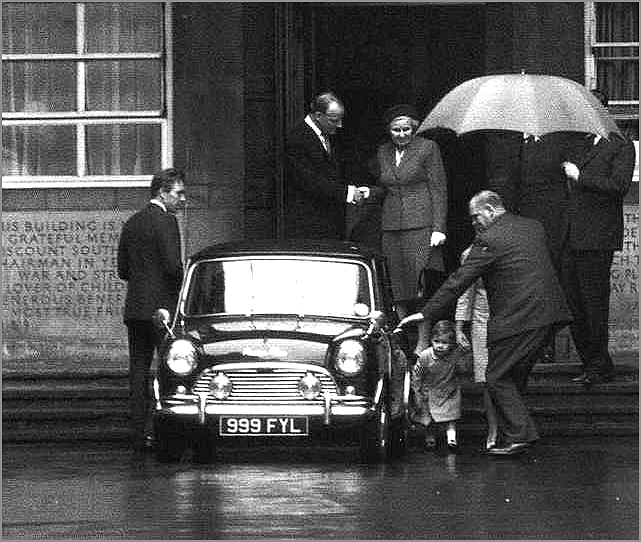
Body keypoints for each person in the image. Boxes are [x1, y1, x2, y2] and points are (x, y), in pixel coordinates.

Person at [397, 190, 572, 455]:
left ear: (490, 210)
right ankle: (511, 432)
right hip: (550, 314)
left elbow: (461, 279)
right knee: (514, 375)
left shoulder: (489, 239)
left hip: (521, 318)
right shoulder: (533, 227)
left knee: (497, 376)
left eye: (475, 216)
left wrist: (427, 312)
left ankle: (521, 435)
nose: (473, 223)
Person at [559, 89, 636, 386]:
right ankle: (591, 361)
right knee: (572, 304)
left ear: (604, 111)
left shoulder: (620, 145)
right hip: (570, 236)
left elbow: (619, 186)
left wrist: (581, 177)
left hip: (597, 238)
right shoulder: (577, 144)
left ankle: (599, 365)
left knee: (593, 304)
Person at [117, 168, 186, 452]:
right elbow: (173, 267)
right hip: (163, 312)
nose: (183, 199)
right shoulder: (167, 222)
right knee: (171, 369)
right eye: (178, 193)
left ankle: (137, 435)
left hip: (135, 309)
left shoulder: (132, 222)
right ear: (162, 192)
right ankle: (166, 433)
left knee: (138, 370)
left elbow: (123, 270)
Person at [370, 104, 447, 354]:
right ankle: (402, 340)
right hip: (392, 226)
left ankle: (423, 340)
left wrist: (439, 227)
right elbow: (387, 187)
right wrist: (369, 192)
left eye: (406, 130)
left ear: (414, 129)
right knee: (398, 285)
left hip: (422, 225)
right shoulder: (383, 151)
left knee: (420, 285)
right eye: (396, 130)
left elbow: (438, 188)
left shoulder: (427, 148)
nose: (401, 134)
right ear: (388, 131)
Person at [283, 91, 365, 240]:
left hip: (330, 219)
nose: (339, 125)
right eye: (334, 120)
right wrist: (347, 193)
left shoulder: (329, 134)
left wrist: (357, 188)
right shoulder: (297, 138)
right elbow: (309, 181)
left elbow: (336, 171)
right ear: (318, 116)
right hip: (309, 223)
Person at [454, 245, 497, 450]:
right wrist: (459, 327)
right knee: (486, 377)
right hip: (482, 316)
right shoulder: (469, 253)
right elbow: (465, 292)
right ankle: (494, 428)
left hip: (510, 315)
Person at [410, 320, 462, 451]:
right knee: (429, 418)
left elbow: (464, 356)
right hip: (430, 390)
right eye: (436, 341)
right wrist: (417, 391)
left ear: (451, 344)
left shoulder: (454, 355)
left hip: (448, 388)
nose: (440, 346)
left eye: (444, 343)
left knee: (451, 416)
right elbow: (417, 374)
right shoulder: (426, 356)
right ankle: (430, 437)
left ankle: (451, 437)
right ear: (431, 340)